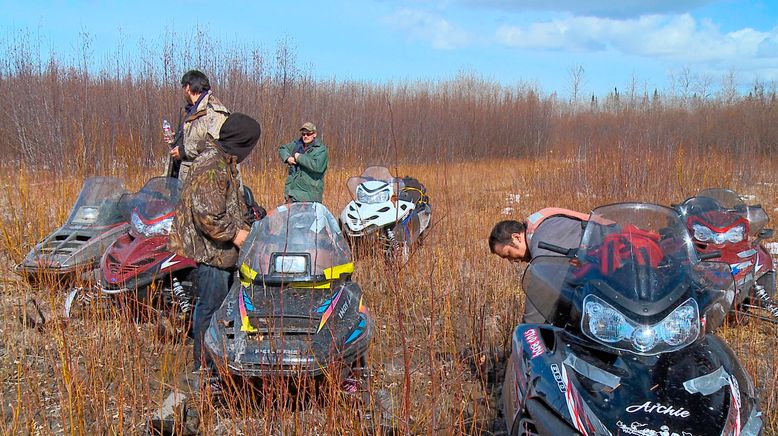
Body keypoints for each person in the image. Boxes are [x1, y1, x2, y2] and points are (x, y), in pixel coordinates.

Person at [168, 113, 261, 387]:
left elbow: (228, 206)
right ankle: (205, 369)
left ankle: (221, 363)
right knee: (211, 309)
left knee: (224, 309)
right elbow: (208, 215)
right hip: (211, 254)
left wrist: (254, 217)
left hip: (222, 252)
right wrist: (237, 234)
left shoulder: (223, 162)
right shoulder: (212, 166)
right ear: (240, 142)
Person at [489, 208, 590, 323]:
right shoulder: (541, 226)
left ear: (516, 237)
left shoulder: (542, 239)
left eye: (508, 254)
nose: (512, 261)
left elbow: (541, 286)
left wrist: (527, 329)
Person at [169, 70, 230, 181]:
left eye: (183, 88)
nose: (183, 92)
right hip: (183, 179)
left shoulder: (214, 111)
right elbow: (194, 137)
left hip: (204, 181)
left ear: (188, 87)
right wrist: (177, 139)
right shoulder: (189, 111)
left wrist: (183, 152)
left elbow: (216, 146)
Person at [278, 122, 328, 202]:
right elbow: (282, 149)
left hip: (310, 196)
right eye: (303, 134)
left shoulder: (321, 149)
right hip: (292, 194)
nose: (305, 136)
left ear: (314, 134)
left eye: (308, 134)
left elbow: (318, 167)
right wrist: (287, 158)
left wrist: (299, 157)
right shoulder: (296, 145)